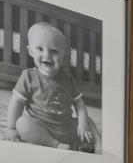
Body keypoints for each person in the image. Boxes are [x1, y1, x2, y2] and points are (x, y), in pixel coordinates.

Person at [7, 22, 95, 151]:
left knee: (89, 122)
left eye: (54, 51)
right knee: (22, 124)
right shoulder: (28, 76)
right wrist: (11, 128)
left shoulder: (68, 79)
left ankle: (94, 144)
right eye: (40, 49)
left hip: (66, 127)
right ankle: (55, 144)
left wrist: (82, 124)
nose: (47, 55)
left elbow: (79, 103)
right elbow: (17, 102)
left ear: (64, 56)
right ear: (30, 51)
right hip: (41, 127)